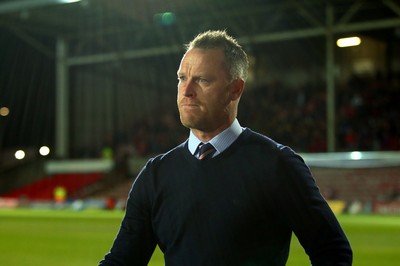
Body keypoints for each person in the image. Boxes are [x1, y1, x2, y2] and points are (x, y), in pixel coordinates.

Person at [99, 30, 352, 266]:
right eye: (182, 78)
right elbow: (122, 262)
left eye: (202, 80)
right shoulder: (155, 175)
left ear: (235, 89)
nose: (186, 91)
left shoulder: (277, 165)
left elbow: (332, 251)